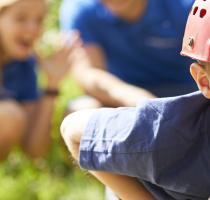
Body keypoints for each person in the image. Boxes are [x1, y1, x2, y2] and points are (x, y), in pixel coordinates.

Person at [61, 0, 210, 199]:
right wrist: (139, 101)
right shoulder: (81, 10)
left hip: (184, 98)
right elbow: (87, 76)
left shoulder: (183, 6)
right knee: (82, 108)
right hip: (158, 117)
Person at [60, 0, 196, 109]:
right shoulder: (79, 8)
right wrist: (138, 99)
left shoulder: (188, 5)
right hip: (122, 96)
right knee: (80, 111)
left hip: (186, 93)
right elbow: (89, 73)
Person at [0, 0, 72, 161]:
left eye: (39, 20)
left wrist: (52, 84)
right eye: (21, 18)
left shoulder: (23, 66)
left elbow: (35, 150)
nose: (33, 29)